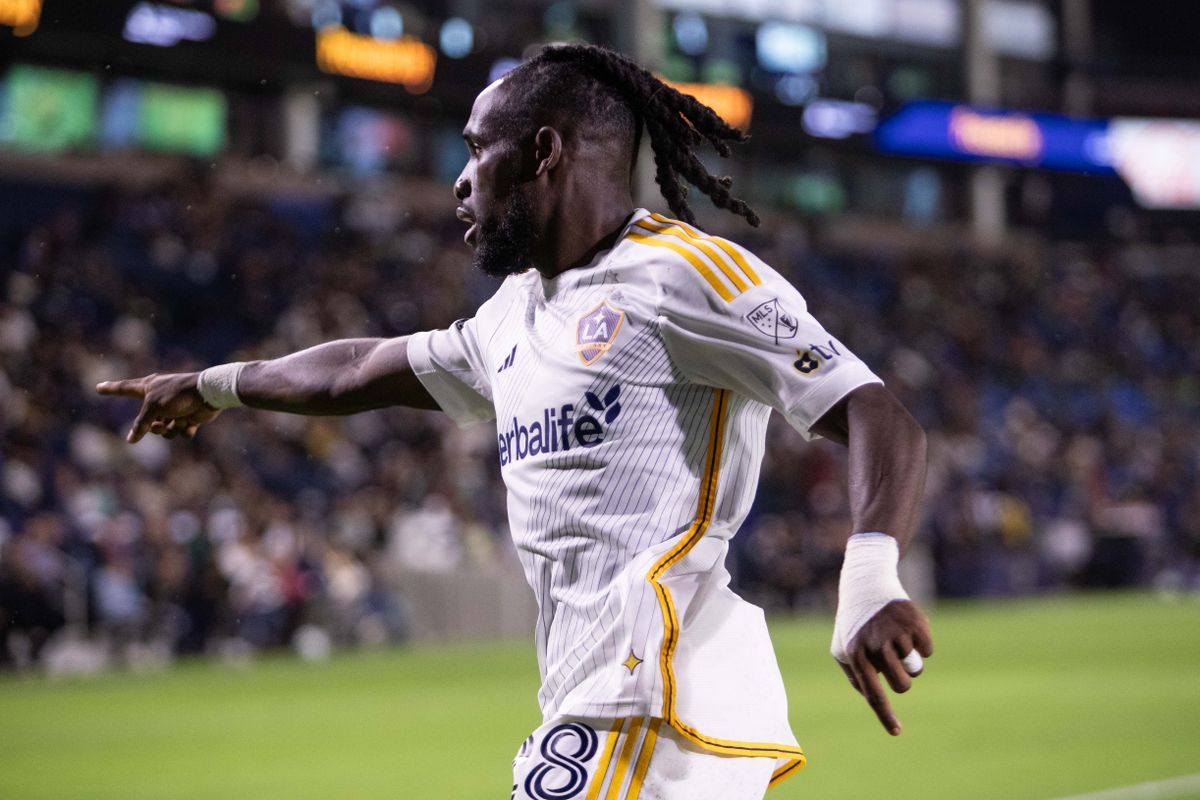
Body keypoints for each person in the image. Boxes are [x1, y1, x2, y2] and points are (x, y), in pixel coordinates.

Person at [98, 43, 933, 800]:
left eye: (474, 149)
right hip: (605, 705)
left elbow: (872, 409)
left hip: (645, 693)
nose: (460, 181)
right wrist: (215, 384)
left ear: (542, 151)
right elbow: (356, 371)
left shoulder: (687, 276)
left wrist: (869, 578)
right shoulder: (510, 318)